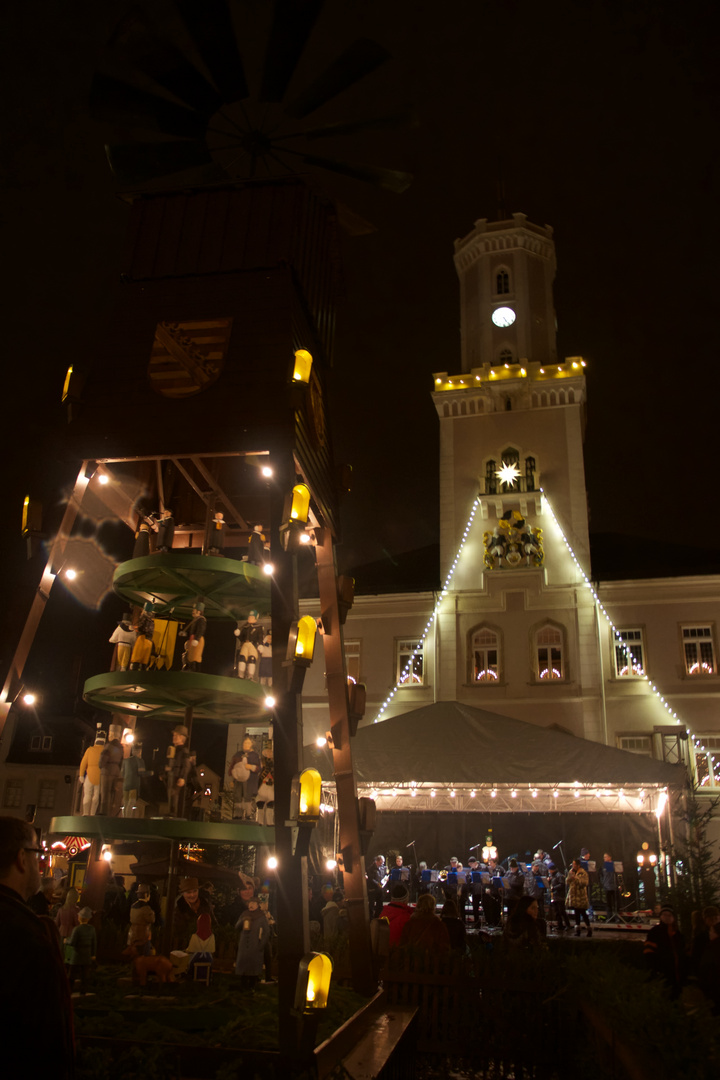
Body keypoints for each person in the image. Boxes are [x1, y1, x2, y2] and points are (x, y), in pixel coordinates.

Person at [0, 816, 74, 1076]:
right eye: (37, 853)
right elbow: (45, 1034)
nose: (40, 864)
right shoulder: (27, 934)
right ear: (22, 858)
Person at [643, 905, 686, 998]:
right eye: (664, 915)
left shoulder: (678, 934)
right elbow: (649, 952)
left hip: (677, 973)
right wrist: (654, 969)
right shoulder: (655, 932)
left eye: (669, 915)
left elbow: (684, 952)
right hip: (662, 972)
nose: (667, 917)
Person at [235, 898, 269, 989]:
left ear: (257, 905)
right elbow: (237, 926)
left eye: (253, 903)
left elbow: (266, 931)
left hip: (254, 945)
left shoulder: (261, 916)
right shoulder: (244, 914)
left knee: (253, 965)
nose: (251, 905)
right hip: (243, 945)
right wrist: (242, 920)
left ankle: (252, 984)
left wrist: (261, 945)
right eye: (250, 903)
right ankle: (243, 984)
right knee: (243, 964)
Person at [173, 876, 214, 949]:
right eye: (188, 892)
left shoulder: (205, 905)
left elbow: (213, 923)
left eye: (195, 891)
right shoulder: (178, 909)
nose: (192, 895)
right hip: (183, 947)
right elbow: (177, 932)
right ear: (183, 893)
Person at [228, 735, 261, 821]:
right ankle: (237, 814)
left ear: (251, 744)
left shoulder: (254, 755)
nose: (245, 745)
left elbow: (258, 768)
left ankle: (248, 814)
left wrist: (251, 767)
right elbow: (232, 767)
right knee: (237, 796)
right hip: (238, 779)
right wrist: (232, 779)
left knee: (248, 797)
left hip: (249, 780)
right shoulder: (238, 755)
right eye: (244, 743)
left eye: (248, 743)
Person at [67, 908, 97, 995]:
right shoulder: (92, 929)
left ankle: (69, 991)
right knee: (85, 975)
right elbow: (94, 942)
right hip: (87, 955)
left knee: (71, 975)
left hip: (77, 955)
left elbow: (73, 942)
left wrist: (66, 941)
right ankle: (83, 991)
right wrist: (93, 954)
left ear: (80, 917)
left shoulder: (77, 929)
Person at [78, 727, 106, 815]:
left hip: (89, 776)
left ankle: (85, 813)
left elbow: (83, 763)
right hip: (100, 777)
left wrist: (81, 775)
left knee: (87, 795)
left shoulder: (90, 750)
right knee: (96, 796)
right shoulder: (105, 752)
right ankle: (92, 814)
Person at [166, 724, 192, 817]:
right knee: (170, 795)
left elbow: (186, 765)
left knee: (174, 796)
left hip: (177, 776)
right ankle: (171, 812)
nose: (174, 737)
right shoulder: (173, 750)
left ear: (182, 737)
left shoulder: (184, 751)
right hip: (171, 776)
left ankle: (174, 813)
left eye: (176, 735)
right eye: (174, 735)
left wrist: (182, 777)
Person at [98, 732, 124, 816]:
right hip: (116, 771)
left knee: (105, 793)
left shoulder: (109, 747)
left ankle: (104, 812)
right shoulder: (120, 748)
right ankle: (112, 812)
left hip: (107, 771)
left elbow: (103, 759)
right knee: (113, 793)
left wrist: (100, 765)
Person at [127, 883, 156, 956]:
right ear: (146, 895)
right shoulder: (146, 908)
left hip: (132, 933)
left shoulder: (133, 906)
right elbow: (152, 920)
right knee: (145, 954)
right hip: (143, 935)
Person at [234, 610, 264, 679]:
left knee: (252, 659)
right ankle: (240, 675)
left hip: (253, 645)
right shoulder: (245, 627)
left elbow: (260, 637)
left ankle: (250, 676)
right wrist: (238, 634)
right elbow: (242, 638)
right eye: (249, 617)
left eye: (251, 617)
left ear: (255, 618)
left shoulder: (258, 627)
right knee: (242, 658)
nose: (249, 618)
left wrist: (260, 644)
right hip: (245, 644)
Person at [567, 858, 592, 937]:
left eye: (574, 864)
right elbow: (567, 882)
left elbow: (584, 883)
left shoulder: (583, 873)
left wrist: (576, 879)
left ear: (578, 865)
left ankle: (589, 929)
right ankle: (577, 931)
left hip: (580, 897)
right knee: (576, 914)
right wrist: (570, 878)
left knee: (583, 913)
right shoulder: (571, 871)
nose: (573, 866)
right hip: (574, 896)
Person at [180, 602, 207, 672]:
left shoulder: (201, 620)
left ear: (198, 611)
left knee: (195, 656)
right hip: (193, 639)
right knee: (190, 656)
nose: (192, 612)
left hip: (197, 640)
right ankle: (190, 668)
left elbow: (201, 630)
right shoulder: (196, 620)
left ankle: (194, 671)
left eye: (193, 610)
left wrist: (197, 639)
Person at [122, 743, 146, 818]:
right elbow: (141, 773)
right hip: (134, 785)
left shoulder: (125, 761)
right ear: (140, 751)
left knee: (125, 803)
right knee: (131, 802)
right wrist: (150, 773)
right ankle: (127, 819)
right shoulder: (140, 761)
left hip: (125, 785)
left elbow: (122, 773)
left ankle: (124, 817)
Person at [129, 602, 155, 670]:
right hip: (149, 640)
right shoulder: (152, 620)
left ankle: (133, 676)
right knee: (144, 660)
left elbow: (140, 626)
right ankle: (142, 677)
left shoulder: (144, 616)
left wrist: (137, 628)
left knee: (136, 658)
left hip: (142, 638)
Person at [547, 863, 571, 933]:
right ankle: (560, 925)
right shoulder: (552, 876)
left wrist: (554, 888)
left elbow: (562, 885)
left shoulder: (559, 876)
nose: (549, 871)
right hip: (555, 896)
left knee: (562, 911)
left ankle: (567, 924)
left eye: (549, 870)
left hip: (559, 897)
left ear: (552, 870)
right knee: (557, 912)